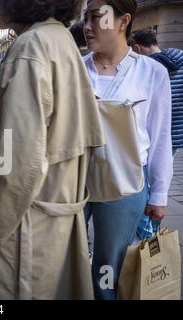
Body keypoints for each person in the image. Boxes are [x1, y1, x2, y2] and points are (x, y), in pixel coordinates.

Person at [0, 0, 105, 300]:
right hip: (47, 222)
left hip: (21, 231)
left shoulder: (30, 48)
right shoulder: (59, 39)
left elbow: (18, 165)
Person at [83, 0, 173, 299]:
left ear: (123, 21)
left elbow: (161, 137)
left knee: (110, 266)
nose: (87, 26)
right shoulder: (74, 70)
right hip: (72, 183)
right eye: (86, 18)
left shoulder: (152, 73)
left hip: (126, 185)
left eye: (97, 17)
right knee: (62, 260)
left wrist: (159, 194)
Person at [130, 29, 183, 156]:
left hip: (154, 130)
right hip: (177, 130)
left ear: (137, 48)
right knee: (164, 168)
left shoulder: (148, 69)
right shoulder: (180, 59)